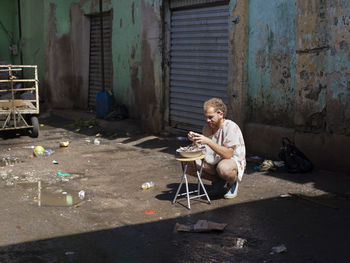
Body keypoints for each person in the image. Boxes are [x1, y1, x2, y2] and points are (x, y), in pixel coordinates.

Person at [187, 98, 246, 199]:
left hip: (229, 161)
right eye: (206, 117)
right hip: (214, 161)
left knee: (223, 169)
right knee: (188, 164)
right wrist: (195, 140)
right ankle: (219, 180)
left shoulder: (230, 127)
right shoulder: (207, 127)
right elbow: (204, 150)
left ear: (220, 114)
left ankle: (233, 182)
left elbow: (228, 154)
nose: (207, 120)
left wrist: (208, 141)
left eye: (210, 117)